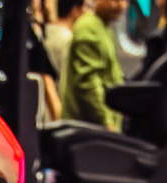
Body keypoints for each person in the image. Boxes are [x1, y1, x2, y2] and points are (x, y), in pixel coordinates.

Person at [61, 0, 126, 131]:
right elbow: (88, 82)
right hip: (88, 128)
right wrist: (106, 122)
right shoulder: (88, 28)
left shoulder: (104, 27)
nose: (121, 5)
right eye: (116, 0)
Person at [44, 0, 85, 81]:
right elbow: (69, 77)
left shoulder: (47, 30)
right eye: (85, 7)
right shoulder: (68, 40)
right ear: (75, 11)